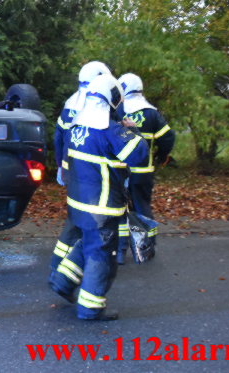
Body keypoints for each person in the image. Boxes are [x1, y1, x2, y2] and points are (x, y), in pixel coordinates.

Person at [48, 74, 149, 321]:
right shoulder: (111, 131)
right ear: (112, 99)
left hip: (78, 205)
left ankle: (62, 280)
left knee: (87, 242)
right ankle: (91, 308)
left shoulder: (76, 127)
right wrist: (132, 130)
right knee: (102, 254)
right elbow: (139, 156)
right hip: (103, 207)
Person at [50, 61, 111, 283]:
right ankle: (85, 268)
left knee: (74, 218)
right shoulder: (99, 105)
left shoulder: (71, 103)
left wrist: (60, 165)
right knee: (95, 222)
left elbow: (58, 137)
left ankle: (58, 267)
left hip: (71, 169)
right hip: (95, 175)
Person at [115, 73, 176, 264]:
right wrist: (160, 155)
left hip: (120, 171)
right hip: (143, 173)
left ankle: (120, 250)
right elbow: (168, 137)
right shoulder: (151, 113)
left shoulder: (118, 110)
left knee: (118, 210)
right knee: (142, 208)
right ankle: (146, 247)